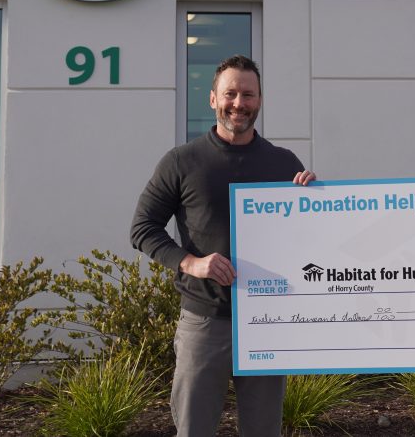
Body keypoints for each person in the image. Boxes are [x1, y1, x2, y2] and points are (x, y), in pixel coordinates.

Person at [130, 54, 315, 437]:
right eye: (230, 93)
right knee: (194, 429)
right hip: (204, 320)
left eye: (248, 95)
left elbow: (309, 242)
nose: (239, 103)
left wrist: (313, 202)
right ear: (213, 99)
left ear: (259, 101)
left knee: (263, 431)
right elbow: (142, 228)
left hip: (266, 321)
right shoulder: (182, 161)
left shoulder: (283, 164)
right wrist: (190, 262)